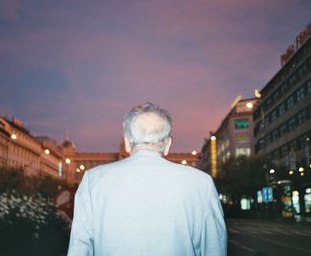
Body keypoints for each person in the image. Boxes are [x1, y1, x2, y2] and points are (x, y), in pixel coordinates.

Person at [67, 102, 227, 256]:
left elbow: (79, 248)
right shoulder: (201, 183)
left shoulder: (92, 181)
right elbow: (214, 248)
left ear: (127, 143)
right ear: (168, 144)